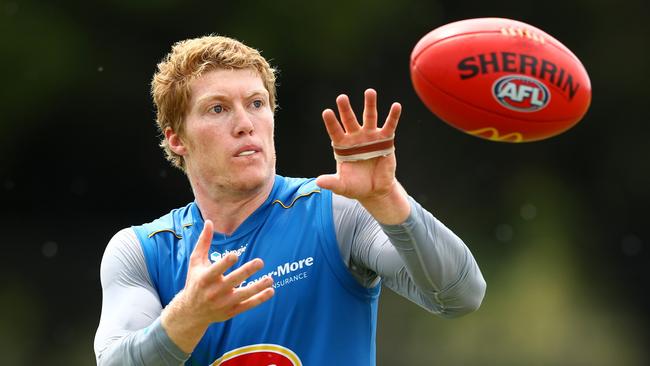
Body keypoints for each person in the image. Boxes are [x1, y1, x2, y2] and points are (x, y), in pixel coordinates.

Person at [94, 35, 486, 366]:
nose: (245, 123)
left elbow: (460, 296)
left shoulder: (335, 213)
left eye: (256, 103)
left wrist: (387, 197)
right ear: (177, 138)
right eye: (218, 108)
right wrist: (188, 316)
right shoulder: (142, 252)